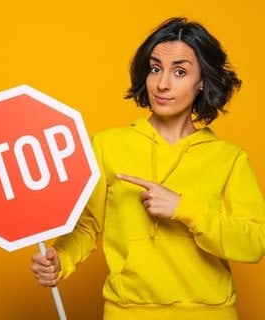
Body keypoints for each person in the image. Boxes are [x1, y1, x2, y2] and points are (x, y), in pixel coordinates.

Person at [31, 17, 265, 319]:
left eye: (180, 71)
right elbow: (88, 225)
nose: (162, 83)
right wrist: (60, 259)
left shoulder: (228, 158)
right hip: (127, 311)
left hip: (210, 313)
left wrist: (185, 209)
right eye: (156, 68)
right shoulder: (107, 145)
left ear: (202, 81)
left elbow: (255, 243)